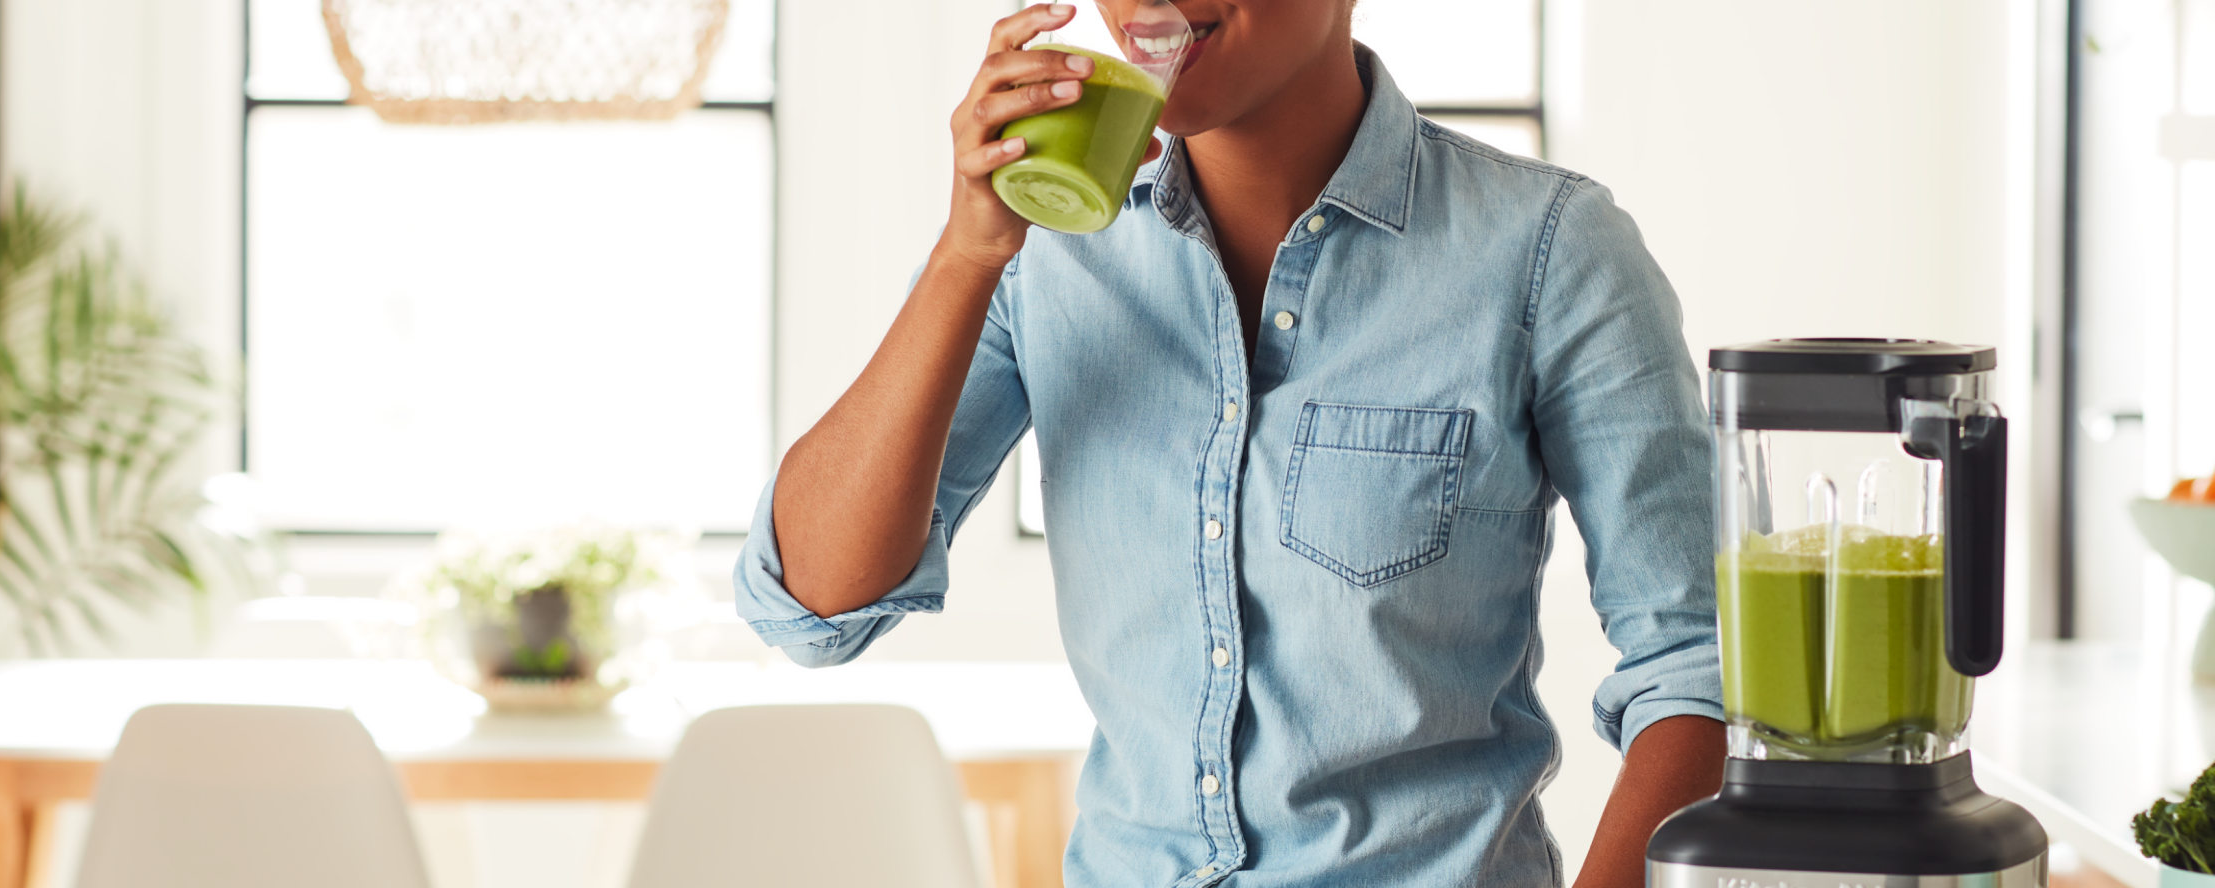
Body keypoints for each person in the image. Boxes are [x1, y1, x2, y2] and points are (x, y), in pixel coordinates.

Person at [734, 1, 1721, 885]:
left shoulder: (1547, 248)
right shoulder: (1040, 259)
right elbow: (815, 608)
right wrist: (967, 255)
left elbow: (1697, 666)